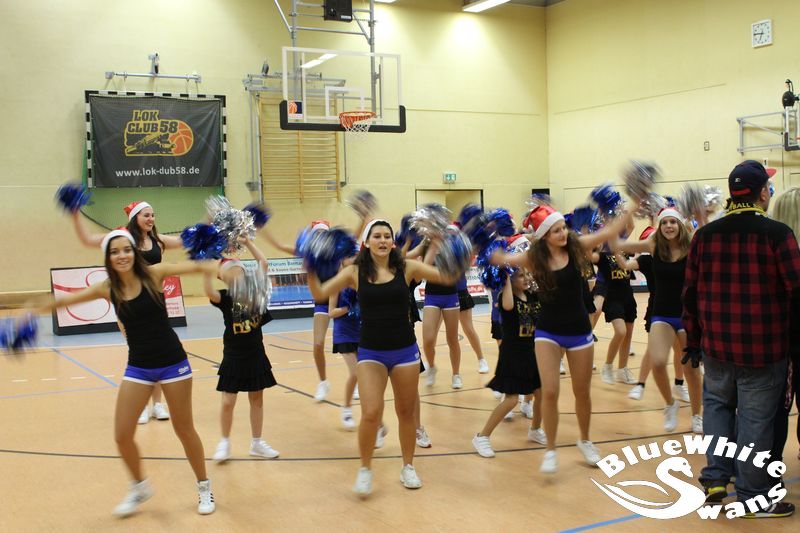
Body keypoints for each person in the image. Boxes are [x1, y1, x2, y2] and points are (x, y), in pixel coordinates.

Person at [34, 229, 217, 516]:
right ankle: (139, 486)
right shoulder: (108, 288)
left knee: (184, 429)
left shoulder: (154, 274)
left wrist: (224, 266)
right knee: (121, 435)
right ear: (108, 258)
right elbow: (65, 302)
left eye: (127, 249)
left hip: (173, 362)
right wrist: (27, 312)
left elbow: (197, 266)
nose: (122, 256)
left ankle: (204, 486)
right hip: (139, 366)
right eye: (115, 252)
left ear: (135, 252)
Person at [684, 160, 800, 518]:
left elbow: (690, 293)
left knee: (717, 409)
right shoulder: (777, 234)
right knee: (755, 421)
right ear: (763, 193)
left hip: (716, 347)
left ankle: (716, 478)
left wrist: (693, 340)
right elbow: (797, 289)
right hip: (764, 349)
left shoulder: (705, 236)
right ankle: (753, 497)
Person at [307, 219, 456, 496]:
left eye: (387, 236)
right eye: (377, 236)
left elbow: (446, 277)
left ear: (393, 242)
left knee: (406, 413)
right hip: (371, 351)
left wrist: (447, 245)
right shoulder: (354, 272)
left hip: (405, 351)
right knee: (371, 413)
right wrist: (311, 264)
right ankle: (365, 469)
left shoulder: (407, 267)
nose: (383, 240)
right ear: (366, 242)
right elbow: (319, 293)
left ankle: (408, 466)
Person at [493, 204, 634, 474]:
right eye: (556, 230)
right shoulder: (533, 258)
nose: (563, 233)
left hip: (579, 331)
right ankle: (550, 449)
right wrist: (486, 240)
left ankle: (585, 440)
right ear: (545, 235)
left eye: (563, 228)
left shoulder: (575, 246)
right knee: (549, 391)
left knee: (582, 392)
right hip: (547, 331)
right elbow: (501, 259)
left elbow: (611, 231)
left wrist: (632, 205)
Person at [70, 201, 183, 424]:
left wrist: (212, 225)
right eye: (146, 215)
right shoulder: (121, 238)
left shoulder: (158, 241)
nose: (151, 219)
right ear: (135, 218)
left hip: (154, 304)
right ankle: (142, 404)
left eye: (153, 215)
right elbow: (87, 239)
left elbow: (185, 240)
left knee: (158, 350)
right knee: (139, 352)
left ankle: (157, 404)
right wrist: (74, 213)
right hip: (129, 305)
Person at [613, 208, 702, 433]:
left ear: (680, 225)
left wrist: (702, 214)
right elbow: (620, 245)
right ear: (659, 227)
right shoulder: (654, 246)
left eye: (673, 222)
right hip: (661, 314)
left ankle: (697, 415)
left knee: (692, 370)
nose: (669, 226)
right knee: (658, 362)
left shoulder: (691, 246)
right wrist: (613, 226)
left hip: (687, 316)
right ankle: (670, 404)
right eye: (664, 223)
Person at [205, 240, 280, 462]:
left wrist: (247, 242)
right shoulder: (225, 297)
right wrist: (205, 265)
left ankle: (257, 443)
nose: (236, 273)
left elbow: (263, 262)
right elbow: (208, 291)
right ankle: (224, 442)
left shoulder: (254, 289)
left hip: (256, 353)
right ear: (223, 278)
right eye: (231, 272)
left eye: (239, 270)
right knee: (228, 401)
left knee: (257, 399)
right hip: (234, 356)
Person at [472, 270, 546, 458]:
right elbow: (508, 305)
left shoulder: (532, 295)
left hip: (532, 351)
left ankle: (535, 429)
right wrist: (505, 274)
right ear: (510, 279)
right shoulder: (506, 297)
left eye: (527, 274)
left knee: (541, 393)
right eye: (521, 275)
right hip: (513, 353)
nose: (526, 278)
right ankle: (482, 436)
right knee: (511, 400)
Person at [769, 188, 800, 467]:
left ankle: (771, 468)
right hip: (788, 340)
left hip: (778, 341)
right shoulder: (784, 250)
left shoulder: (771, 249)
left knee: (777, 409)